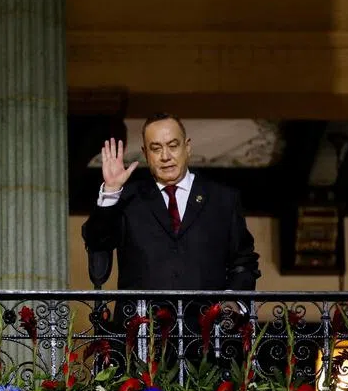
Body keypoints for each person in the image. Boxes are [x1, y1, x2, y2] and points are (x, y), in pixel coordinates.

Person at [82, 113, 260, 291]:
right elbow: (97, 243)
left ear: (187, 147)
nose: (165, 156)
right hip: (141, 317)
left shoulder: (223, 200)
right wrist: (111, 190)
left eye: (173, 146)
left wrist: (231, 305)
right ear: (145, 153)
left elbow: (244, 263)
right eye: (156, 149)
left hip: (207, 317)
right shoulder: (128, 198)